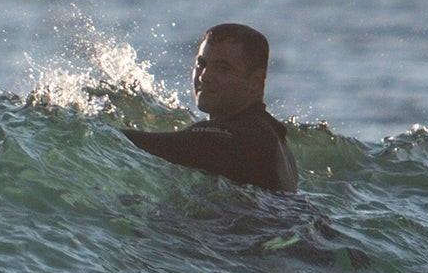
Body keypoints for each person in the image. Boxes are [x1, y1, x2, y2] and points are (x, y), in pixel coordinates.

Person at [122, 23, 298, 194]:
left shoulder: (246, 137)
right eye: (201, 64)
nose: (204, 76)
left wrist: (108, 132)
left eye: (222, 69)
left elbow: (179, 145)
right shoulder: (274, 138)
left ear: (255, 82)